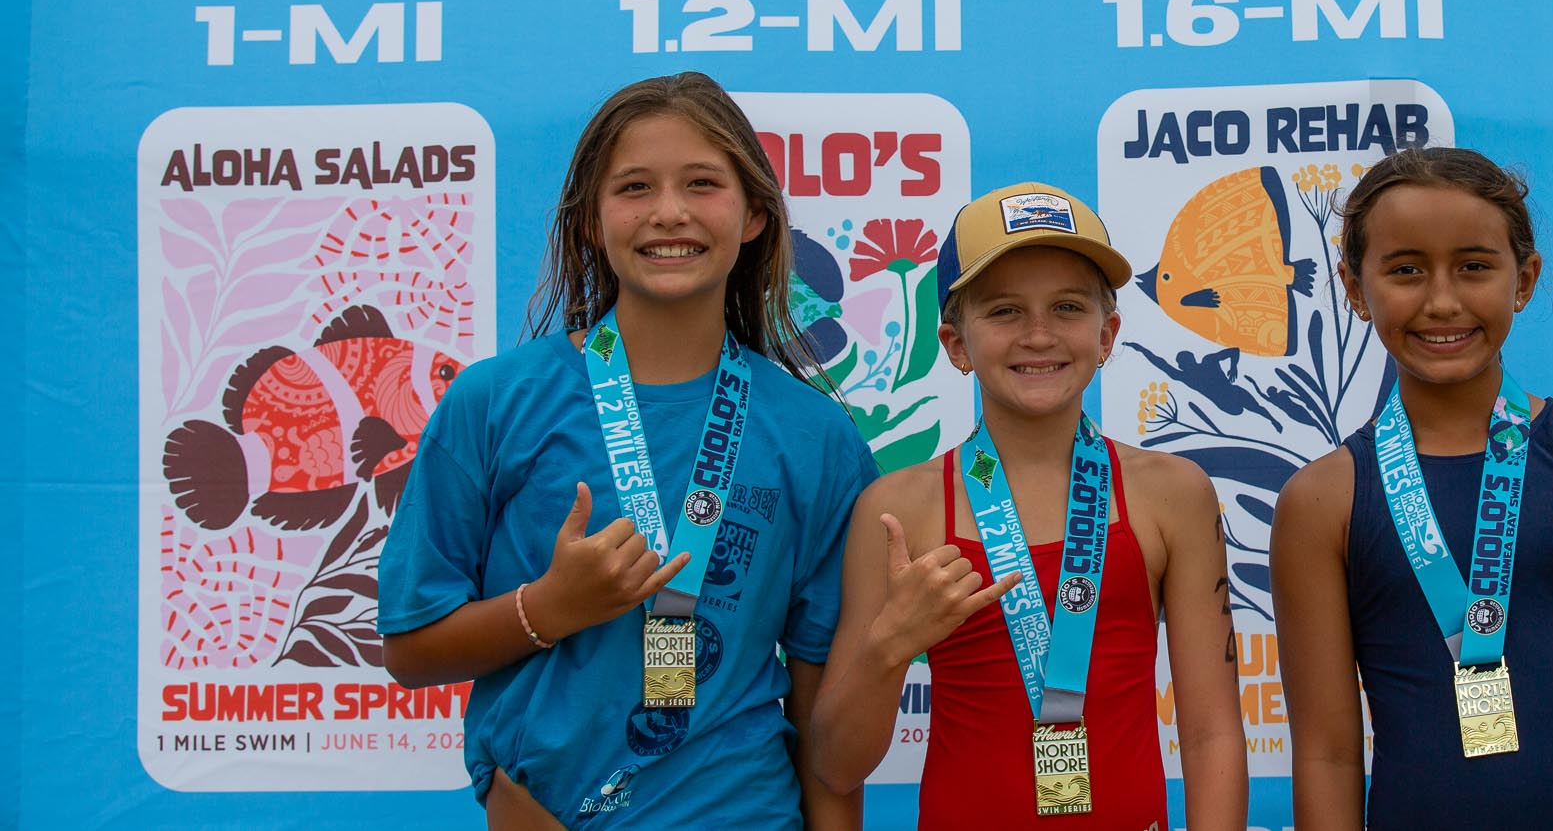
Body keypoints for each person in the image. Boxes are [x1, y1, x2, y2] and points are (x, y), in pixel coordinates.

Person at [378, 73, 876, 829]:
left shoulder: (817, 436)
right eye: (635, 187)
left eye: (702, 183)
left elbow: (822, 717)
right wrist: (548, 608)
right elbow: (410, 649)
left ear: (754, 215)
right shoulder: (494, 402)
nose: (669, 211)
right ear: (589, 220)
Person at [1272, 147, 1553, 831]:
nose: (1443, 300)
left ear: (1523, 279)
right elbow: (1327, 754)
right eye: (1406, 270)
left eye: (1474, 266)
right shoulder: (1323, 501)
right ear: (1355, 287)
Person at [809, 182, 1248, 829]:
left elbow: (1212, 733)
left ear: (1107, 333)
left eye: (1067, 306)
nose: (1039, 335)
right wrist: (890, 645)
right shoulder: (899, 509)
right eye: (1005, 311)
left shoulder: (1173, 493)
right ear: (956, 344)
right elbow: (835, 765)